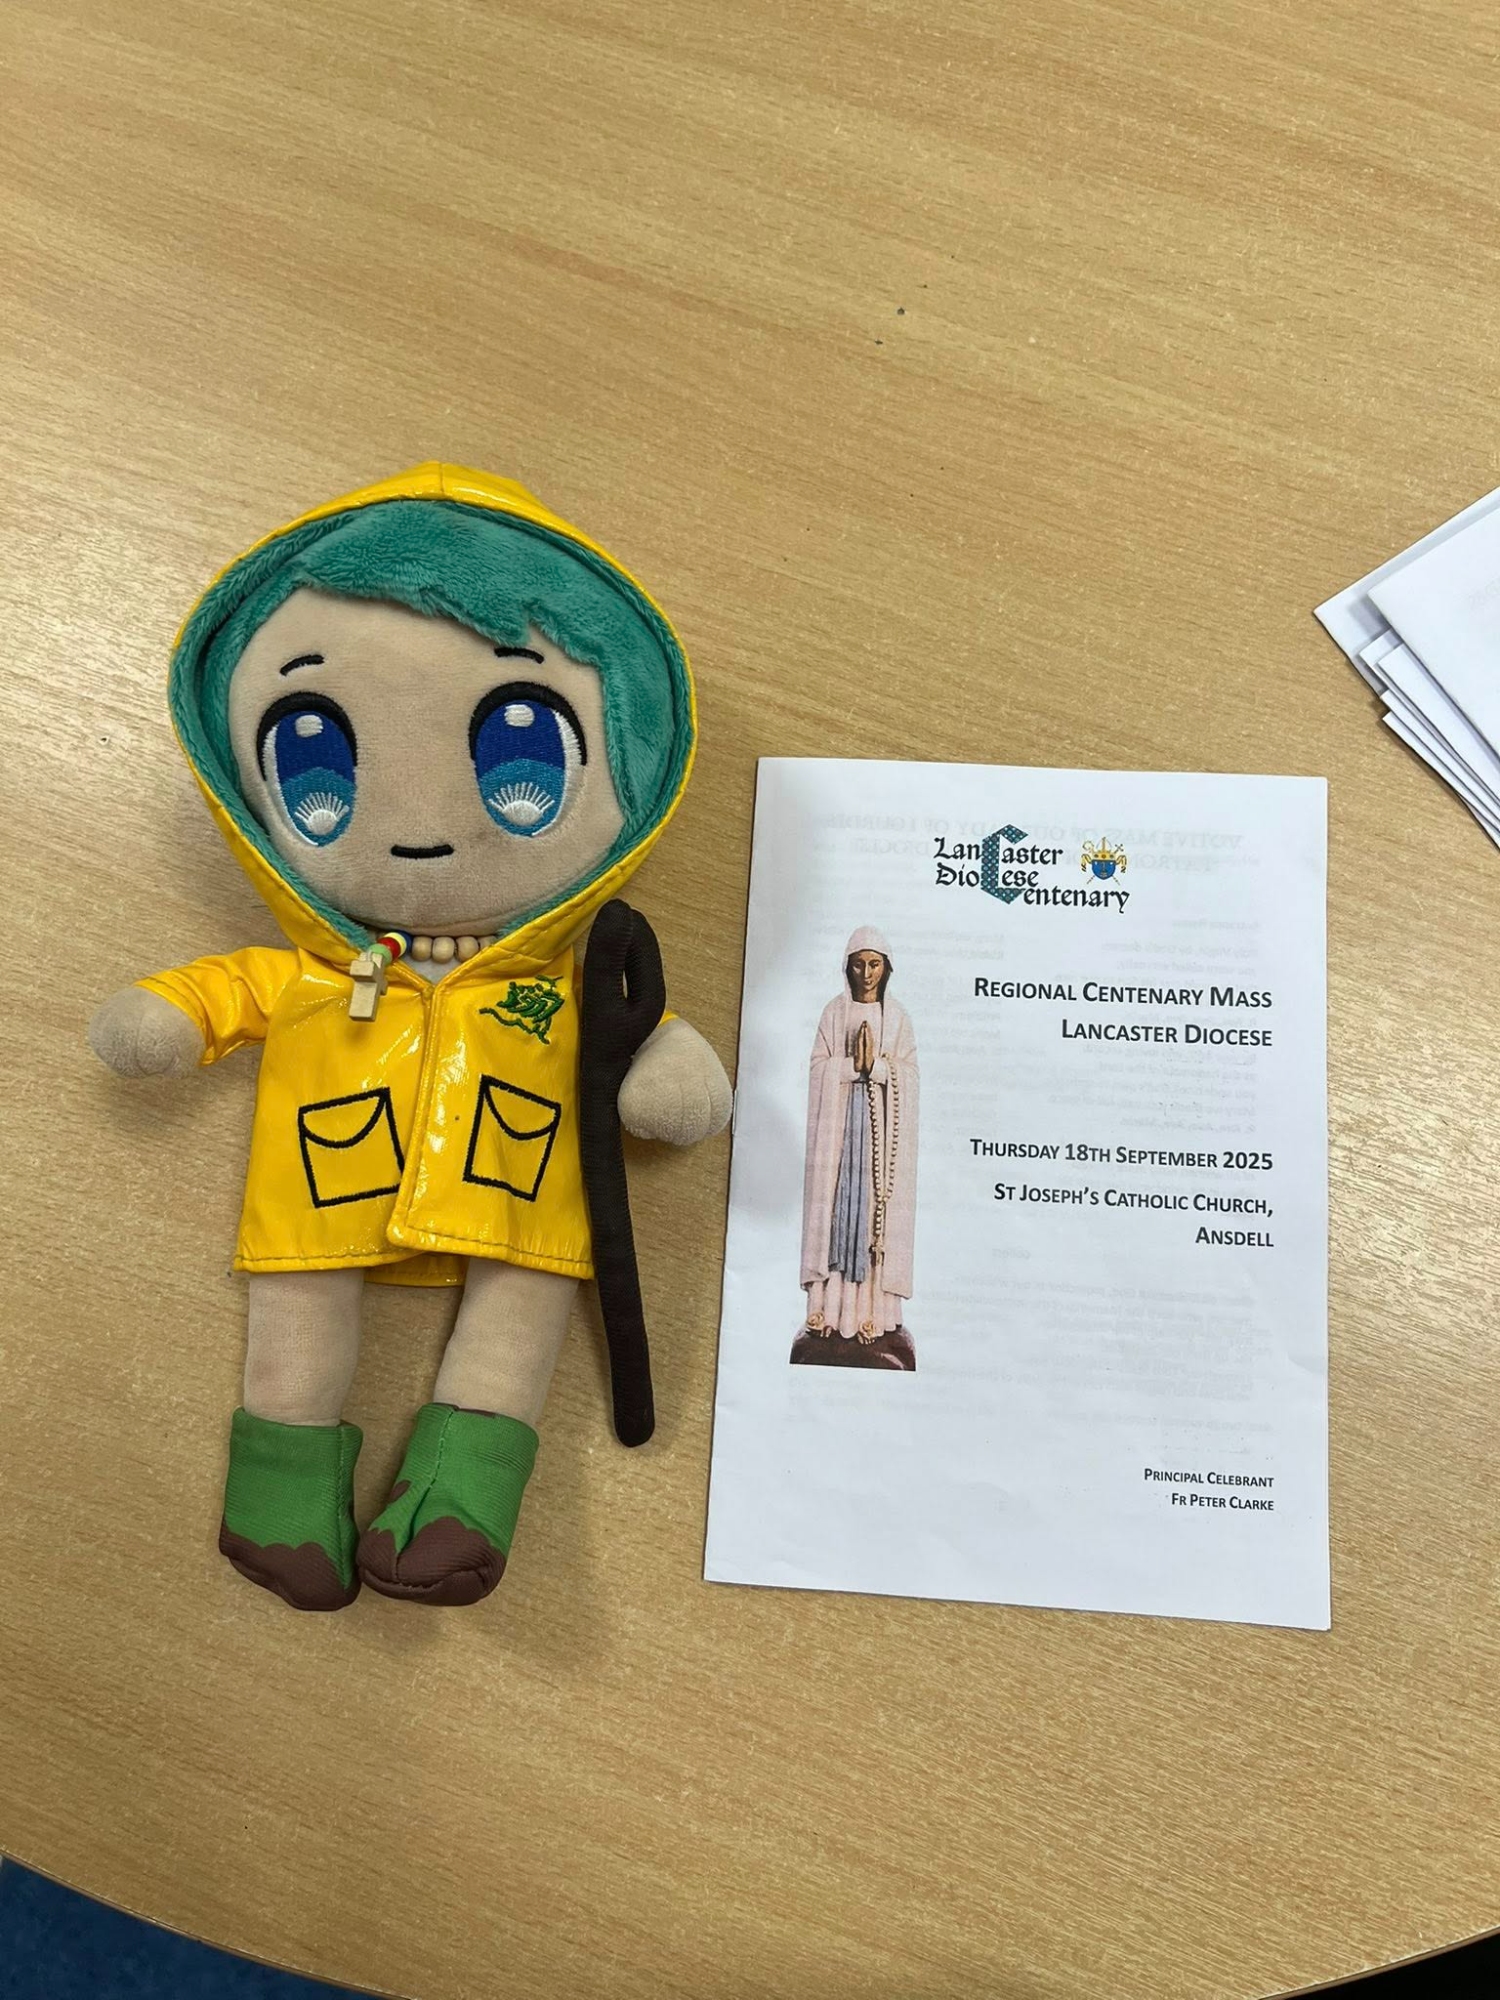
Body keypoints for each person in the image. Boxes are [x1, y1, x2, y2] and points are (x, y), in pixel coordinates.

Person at [792, 927, 918, 1370]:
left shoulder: (897, 1018)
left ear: (887, 968)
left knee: (871, 1223)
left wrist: (878, 1068)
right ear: (847, 967)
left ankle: (872, 1315)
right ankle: (830, 1310)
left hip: (878, 1144)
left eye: (874, 964)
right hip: (840, 1139)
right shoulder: (834, 1012)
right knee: (836, 1215)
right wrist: (851, 1067)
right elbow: (817, 1069)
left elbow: (910, 1076)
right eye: (859, 964)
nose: (866, 973)